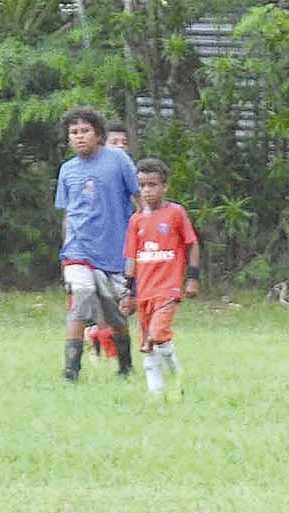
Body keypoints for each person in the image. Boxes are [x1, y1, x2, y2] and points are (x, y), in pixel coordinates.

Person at [55, 105, 138, 381]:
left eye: (85, 131)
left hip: (114, 252)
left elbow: (139, 202)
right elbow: (68, 213)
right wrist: (65, 249)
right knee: (81, 299)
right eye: (73, 132)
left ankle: (125, 365)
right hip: (78, 251)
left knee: (114, 315)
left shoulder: (118, 161)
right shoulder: (67, 170)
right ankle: (71, 370)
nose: (79, 137)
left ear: (99, 134)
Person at [122, 157, 200, 399]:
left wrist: (193, 277)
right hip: (144, 291)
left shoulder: (175, 213)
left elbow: (192, 243)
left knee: (157, 334)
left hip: (168, 288)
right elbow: (132, 257)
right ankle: (156, 394)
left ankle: (177, 375)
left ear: (164, 187)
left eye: (152, 185)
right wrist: (129, 292)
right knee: (147, 345)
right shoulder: (136, 220)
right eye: (143, 185)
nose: (147, 191)